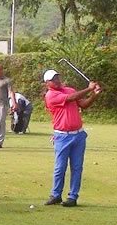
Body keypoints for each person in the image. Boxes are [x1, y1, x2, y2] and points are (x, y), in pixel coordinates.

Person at [42, 69, 102, 207]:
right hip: (62, 136)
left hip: (78, 135)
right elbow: (71, 98)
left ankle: (72, 197)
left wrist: (94, 95)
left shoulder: (69, 90)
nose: (57, 80)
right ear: (47, 83)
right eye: (53, 79)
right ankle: (56, 195)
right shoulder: (50, 95)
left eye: (58, 77)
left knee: (77, 168)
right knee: (60, 168)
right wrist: (89, 88)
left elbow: (83, 105)